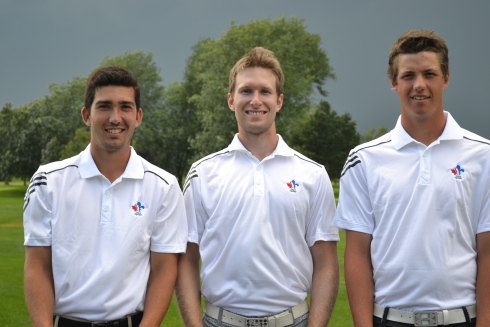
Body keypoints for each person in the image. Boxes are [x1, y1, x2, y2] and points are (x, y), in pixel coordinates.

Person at [333, 30, 490, 327]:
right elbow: (357, 254)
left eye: (429, 74)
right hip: (389, 320)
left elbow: (488, 251)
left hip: (463, 319)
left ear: (445, 78)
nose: (419, 85)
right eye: (408, 76)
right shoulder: (364, 159)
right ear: (394, 82)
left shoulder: (484, 156)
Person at [175, 47, 340, 327]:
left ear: (279, 101)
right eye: (246, 91)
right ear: (231, 100)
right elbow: (186, 261)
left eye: (265, 91)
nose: (255, 100)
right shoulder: (202, 173)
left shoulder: (313, 174)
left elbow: (326, 264)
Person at [23, 66, 187, 327]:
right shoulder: (47, 181)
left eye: (125, 107)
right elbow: (37, 267)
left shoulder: (164, 186)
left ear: (138, 116)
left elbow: (164, 270)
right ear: (87, 115)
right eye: (104, 107)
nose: (115, 117)